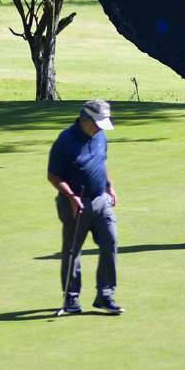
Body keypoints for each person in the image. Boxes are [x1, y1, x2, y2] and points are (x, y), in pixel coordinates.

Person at [47, 98, 122, 314]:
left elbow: (101, 162)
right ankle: (71, 299)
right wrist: (72, 197)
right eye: (97, 123)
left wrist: (109, 186)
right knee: (73, 251)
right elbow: (53, 175)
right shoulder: (65, 140)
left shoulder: (100, 136)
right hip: (74, 204)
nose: (100, 128)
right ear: (84, 119)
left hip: (101, 201)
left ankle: (105, 296)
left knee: (110, 242)